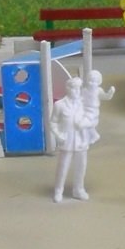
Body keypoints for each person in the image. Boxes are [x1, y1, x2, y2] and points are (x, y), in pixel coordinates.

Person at [51, 74, 87, 203]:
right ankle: (58, 190)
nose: (77, 91)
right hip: (67, 140)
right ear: (68, 89)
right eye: (74, 88)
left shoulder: (83, 104)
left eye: (79, 88)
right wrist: (58, 134)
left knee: (81, 166)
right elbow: (53, 122)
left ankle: (78, 189)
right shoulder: (59, 105)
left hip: (81, 140)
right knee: (63, 166)